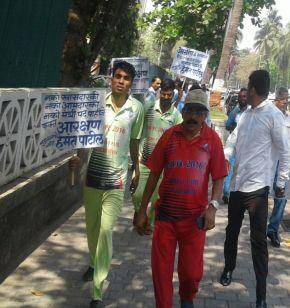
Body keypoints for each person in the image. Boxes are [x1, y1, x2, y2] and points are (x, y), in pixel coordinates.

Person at [136, 89, 227, 308]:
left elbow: (219, 177)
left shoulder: (212, 140)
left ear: (205, 115)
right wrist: (142, 210)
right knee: (161, 272)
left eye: (199, 112)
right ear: (183, 112)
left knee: (191, 273)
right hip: (165, 217)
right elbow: (155, 173)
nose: (193, 117)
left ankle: (187, 300)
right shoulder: (169, 136)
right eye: (190, 111)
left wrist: (212, 207)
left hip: (194, 221)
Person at [69, 61, 144, 308]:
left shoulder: (137, 109)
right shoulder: (97, 104)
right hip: (93, 176)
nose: (121, 81)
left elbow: (134, 142)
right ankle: (93, 262)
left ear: (132, 83)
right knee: (91, 228)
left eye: (126, 78)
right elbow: (85, 135)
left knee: (105, 230)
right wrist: (79, 158)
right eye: (118, 76)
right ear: (112, 79)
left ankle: (97, 289)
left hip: (117, 178)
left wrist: (137, 169)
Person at [219, 70, 290, 308]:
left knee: (258, 242)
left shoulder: (273, 116)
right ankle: (228, 267)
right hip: (238, 185)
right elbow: (232, 140)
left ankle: (261, 295)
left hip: (259, 190)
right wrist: (226, 156)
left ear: (252, 90)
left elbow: (285, 151)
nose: (244, 93)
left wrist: (281, 182)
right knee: (231, 231)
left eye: (247, 88)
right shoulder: (246, 114)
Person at [132, 78, 183, 226]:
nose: (166, 98)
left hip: (162, 165)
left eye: (169, 95)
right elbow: (138, 129)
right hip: (144, 160)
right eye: (164, 94)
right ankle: (139, 210)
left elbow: (178, 140)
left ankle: (149, 223)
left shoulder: (176, 116)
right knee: (137, 194)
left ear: (173, 94)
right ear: (160, 93)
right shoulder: (148, 107)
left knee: (156, 198)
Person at [267, 87, 290, 247]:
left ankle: (273, 229)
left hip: (282, 164)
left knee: (281, 197)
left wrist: (287, 167)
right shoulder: (268, 114)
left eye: (287, 99)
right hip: (267, 162)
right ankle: (257, 227)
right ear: (276, 99)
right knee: (261, 196)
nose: (285, 101)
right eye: (283, 98)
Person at [222, 88, 248, 204]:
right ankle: (226, 193)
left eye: (245, 96)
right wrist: (235, 127)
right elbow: (227, 125)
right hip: (234, 146)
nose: (243, 98)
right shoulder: (235, 112)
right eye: (241, 96)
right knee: (230, 170)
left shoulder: (251, 113)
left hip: (246, 148)